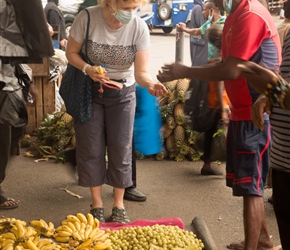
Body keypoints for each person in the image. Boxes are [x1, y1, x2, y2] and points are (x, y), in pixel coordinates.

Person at [157, 0, 281, 248]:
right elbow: (230, 62)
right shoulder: (235, 13)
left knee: (251, 188)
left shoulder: (250, 15)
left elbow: (232, 69)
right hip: (240, 110)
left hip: (255, 114)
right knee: (248, 183)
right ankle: (262, 240)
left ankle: (252, 247)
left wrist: (185, 70)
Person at [65, 0, 168, 223]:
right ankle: (97, 204)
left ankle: (119, 204)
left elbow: (140, 71)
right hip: (88, 92)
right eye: (125, 8)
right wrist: (87, 68)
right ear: (110, 3)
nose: (130, 13)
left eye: (134, 8)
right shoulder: (88, 18)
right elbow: (71, 52)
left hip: (122, 94)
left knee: (121, 148)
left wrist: (150, 84)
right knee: (91, 146)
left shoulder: (139, 27)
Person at [237, 28, 290, 250]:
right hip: (283, 158)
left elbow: (281, 88)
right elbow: (285, 77)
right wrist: (265, 96)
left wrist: (273, 87)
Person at [0, 0, 54, 209]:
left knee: (12, 137)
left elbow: (17, 50)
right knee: (3, 140)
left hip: (8, 86)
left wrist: (29, 82)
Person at [178, 0, 229, 175]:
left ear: (212, 10)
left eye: (206, 10)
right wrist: (184, 29)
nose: (203, 13)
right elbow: (197, 31)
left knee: (212, 128)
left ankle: (208, 164)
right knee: (216, 126)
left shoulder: (225, 23)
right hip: (214, 78)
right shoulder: (211, 26)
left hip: (213, 74)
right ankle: (216, 164)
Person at [188, 0, 208, 66]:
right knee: (198, 61)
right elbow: (201, 25)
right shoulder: (198, 8)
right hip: (198, 41)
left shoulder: (197, 6)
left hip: (197, 40)